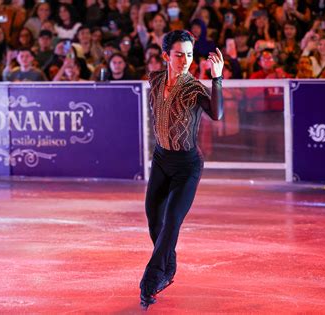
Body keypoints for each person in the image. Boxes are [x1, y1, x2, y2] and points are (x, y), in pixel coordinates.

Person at [140, 29, 224, 309]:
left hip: (187, 166)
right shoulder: (154, 79)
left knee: (172, 221)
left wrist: (217, 79)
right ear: (166, 56)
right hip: (161, 159)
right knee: (155, 219)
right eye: (179, 54)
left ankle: (151, 281)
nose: (186, 60)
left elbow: (216, 113)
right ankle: (169, 268)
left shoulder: (194, 88)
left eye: (189, 54)